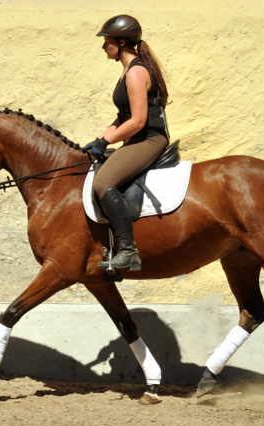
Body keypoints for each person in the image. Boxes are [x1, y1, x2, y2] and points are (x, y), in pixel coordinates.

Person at [82, 14, 170, 272]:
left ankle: (129, 251)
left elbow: (139, 120)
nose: (103, 47)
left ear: (121, 42)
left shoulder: (136, 72)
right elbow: (123, 118)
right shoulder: (127, 73)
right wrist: (98, 139)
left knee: (103, 182)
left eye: (106, 41)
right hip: (136, 137)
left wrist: (105, 140)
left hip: (149, 138)